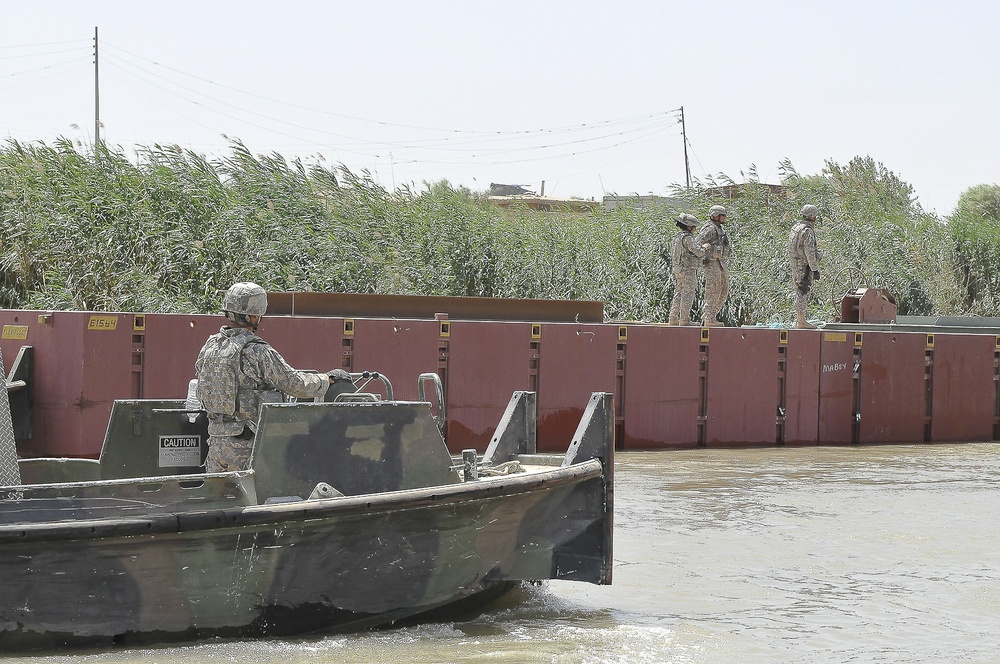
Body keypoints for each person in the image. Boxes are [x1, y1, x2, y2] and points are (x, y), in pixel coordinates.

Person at [195, 282, 353, 472]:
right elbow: (295, 384)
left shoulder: (210, 346)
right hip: (246, 445)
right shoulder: (255, 351)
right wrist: (327, 380)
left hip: (216, 444)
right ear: (254, 315)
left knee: (221, 499)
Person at [667, 213, 708, 326]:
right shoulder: (688, 238)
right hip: (687, 270)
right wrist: (704, 248)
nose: (695, 229)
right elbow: (698, 252)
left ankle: (673, 318)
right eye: (694, 227)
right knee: (688, 294)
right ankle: (684, 319)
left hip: (678, 269)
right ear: (689, 227)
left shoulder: (677, 237)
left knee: (679, 293)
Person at [788, 204, 824, 329]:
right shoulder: (807, 231)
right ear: (812, 217)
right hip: (804, 266)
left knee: (799, 290)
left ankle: (800, 320)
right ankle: (801, 321)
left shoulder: (796, 228)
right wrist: (815, 269)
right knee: (803, 291)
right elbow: (809, 252)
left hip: (795, 264)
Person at [695, 204, 732, 326]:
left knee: (723, 289)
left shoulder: (720, 228)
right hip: (711, 263)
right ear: (715, 216)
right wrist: (705, 250)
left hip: (721, 262)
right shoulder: (710, 229)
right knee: (713, 289)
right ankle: (709, 318)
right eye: (722, 216)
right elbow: (697, 242)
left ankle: (710, 315)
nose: (724, 218)